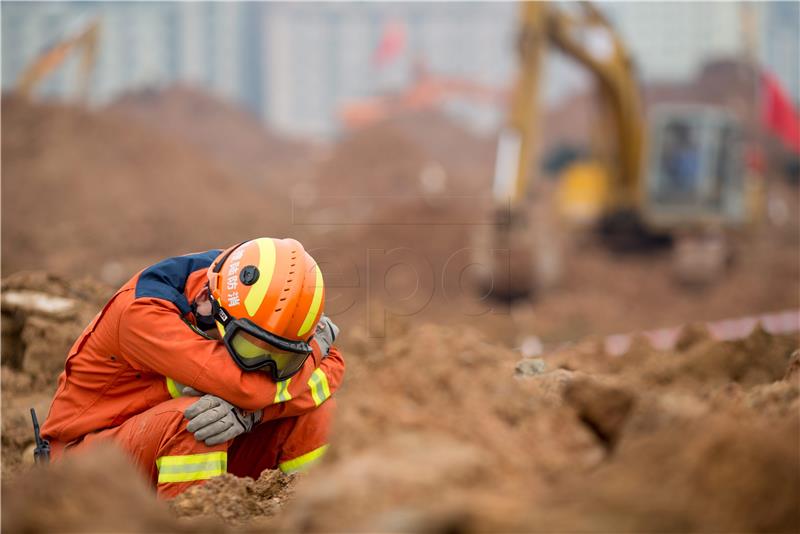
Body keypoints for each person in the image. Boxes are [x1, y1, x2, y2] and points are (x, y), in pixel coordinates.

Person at [40, 237, 345, 498]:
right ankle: (193, 522)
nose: (264, 367)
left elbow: (334, 366)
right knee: (199, 420)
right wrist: (317, 347)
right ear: (207, 303)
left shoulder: (262, 295)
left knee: (315, 414)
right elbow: (246, 388)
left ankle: (315, 514)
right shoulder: (142, 315)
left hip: (163, 456)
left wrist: (253, 415)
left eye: (282, 358)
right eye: (251, 350)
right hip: (80, 470)